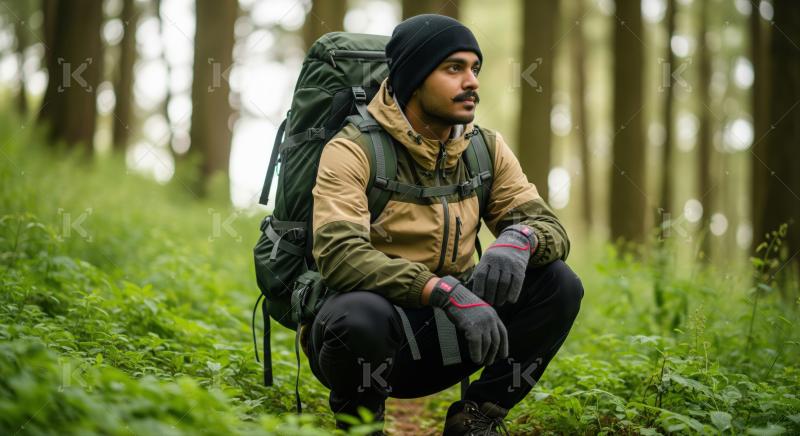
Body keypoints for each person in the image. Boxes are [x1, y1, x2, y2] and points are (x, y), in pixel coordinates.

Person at [303, 13, 584, 435]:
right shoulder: (352, 149)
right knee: (358, 315)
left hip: (458, 337)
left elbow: (550, 228)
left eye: (475, 68)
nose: (471, 81)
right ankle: (361, 424)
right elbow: (341, 256)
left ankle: (477, 418)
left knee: (559, 283)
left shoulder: (485, 149)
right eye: (454, 68)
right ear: (414, 78)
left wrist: (520, 237)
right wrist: (443, 291)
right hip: (369, 343)